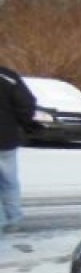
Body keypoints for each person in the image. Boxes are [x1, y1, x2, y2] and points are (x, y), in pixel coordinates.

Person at [0, 65, 36, 233]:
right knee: (9, 182)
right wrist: (24, 123)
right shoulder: (8, 76)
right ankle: (13, 219)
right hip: (6, 138)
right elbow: (27, 103)